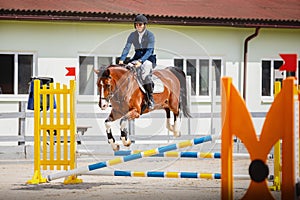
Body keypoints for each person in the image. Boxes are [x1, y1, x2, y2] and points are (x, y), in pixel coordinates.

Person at [119, 14, 156, 110]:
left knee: (145, 74)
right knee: (127, 69)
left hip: (148, 59)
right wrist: (122, 59)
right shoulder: (132, 35)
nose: (138, 26)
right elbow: (127, 47)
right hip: (136, 57)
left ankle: (150, 98)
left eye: (140, 24)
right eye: (136, 24)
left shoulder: (150, 35)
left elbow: (149, 51)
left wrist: (141, 61)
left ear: (144, 25)